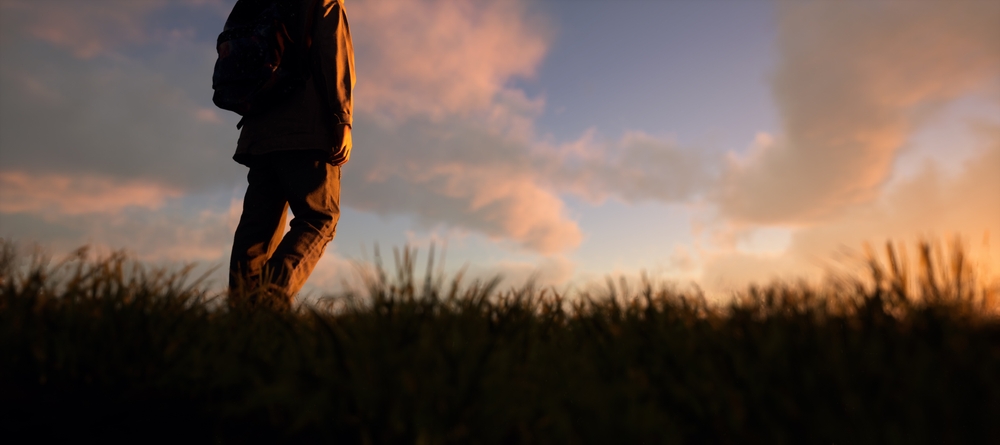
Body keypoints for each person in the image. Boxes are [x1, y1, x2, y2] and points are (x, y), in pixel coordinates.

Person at [228, 0, 354, 308]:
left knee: (256, 230)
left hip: (259, 130)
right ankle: (267, 302)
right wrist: (342, 118)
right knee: (319, 217)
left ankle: (242, 317)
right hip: (305, 125)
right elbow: (332, 54)